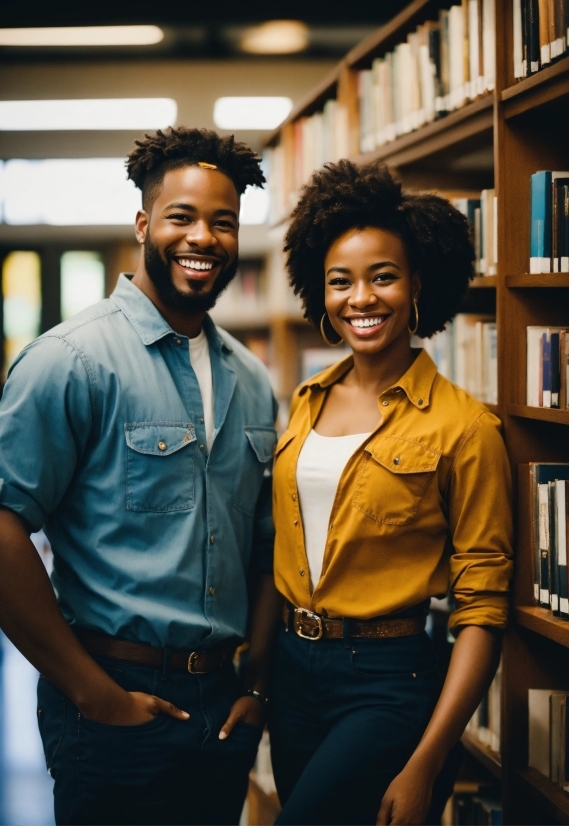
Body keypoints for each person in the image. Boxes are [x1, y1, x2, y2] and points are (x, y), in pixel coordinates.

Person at [0, 127, 281, 826]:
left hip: (222, 707)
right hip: (112, 699)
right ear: (144, 224)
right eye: (182, 217)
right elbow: (4, 529)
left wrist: (257, 686)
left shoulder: (252, 379)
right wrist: (95, 696)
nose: (204, 238)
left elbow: (267, 544)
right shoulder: (71, 361)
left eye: (223, 222)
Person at [269, 160, 513, 826]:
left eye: (383, 277)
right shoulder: (305, 401)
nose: (361, 299)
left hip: (387, 679)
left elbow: (482, 608)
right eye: (340, 282)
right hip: (291, 673)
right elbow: (280, 549)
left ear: (415, 286)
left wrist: (429, 758)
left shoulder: (465, 427)